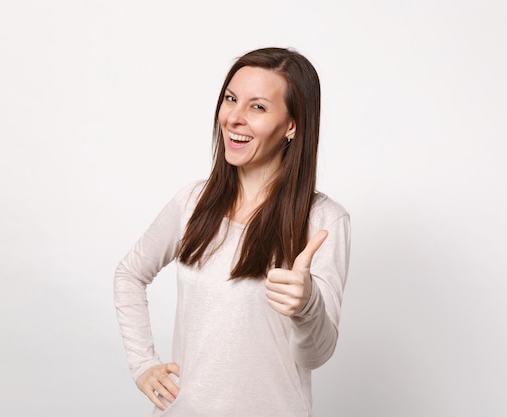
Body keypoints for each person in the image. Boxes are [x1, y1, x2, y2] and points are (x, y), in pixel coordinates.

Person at [114, 46, 351, 417]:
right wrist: (143, 364)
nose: (234, 118)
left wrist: (307, 305)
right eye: (230, 99)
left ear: (293, 125)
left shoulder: (324, 220)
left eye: (257, 106)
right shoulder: (192, 202)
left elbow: (316, 354)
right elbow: (129, 273)